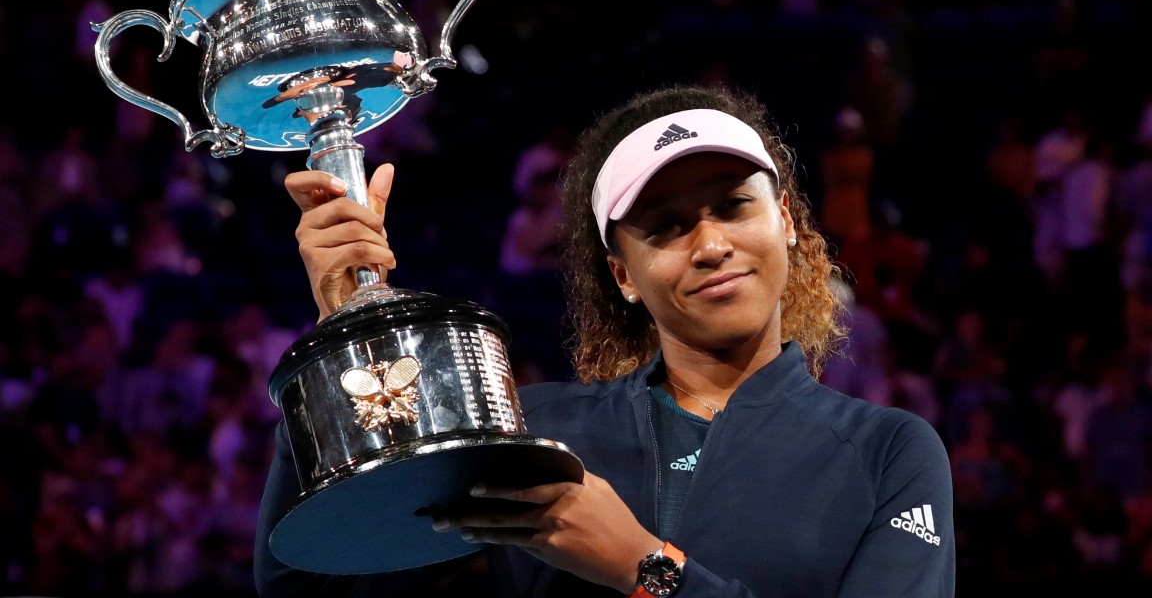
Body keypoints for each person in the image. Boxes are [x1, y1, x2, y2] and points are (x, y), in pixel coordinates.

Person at [255, 83, 956, 597]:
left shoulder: (887, 453)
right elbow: (311, 583)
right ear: (623, 273)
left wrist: (641, 569)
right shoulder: (530, 434)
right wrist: (346, 341)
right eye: (667, 226)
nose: (711, 244)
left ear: (787, 222)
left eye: (733, 206)